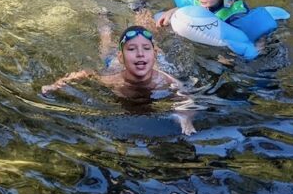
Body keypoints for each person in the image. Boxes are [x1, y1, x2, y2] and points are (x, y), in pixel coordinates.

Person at [42, 23, 196, 135]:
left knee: (147, 30)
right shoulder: (112, 79)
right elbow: (86, 73)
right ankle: (104, 24)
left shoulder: (164, 79)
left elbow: (185, 97)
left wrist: (185, 119)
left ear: (153, 56)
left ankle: (139, 9)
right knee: (105, 49)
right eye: (131, 49)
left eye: (146, 49)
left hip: (158, 62)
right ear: (122, 58)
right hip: (113, 64)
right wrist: (55, 86)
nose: (140, 53)